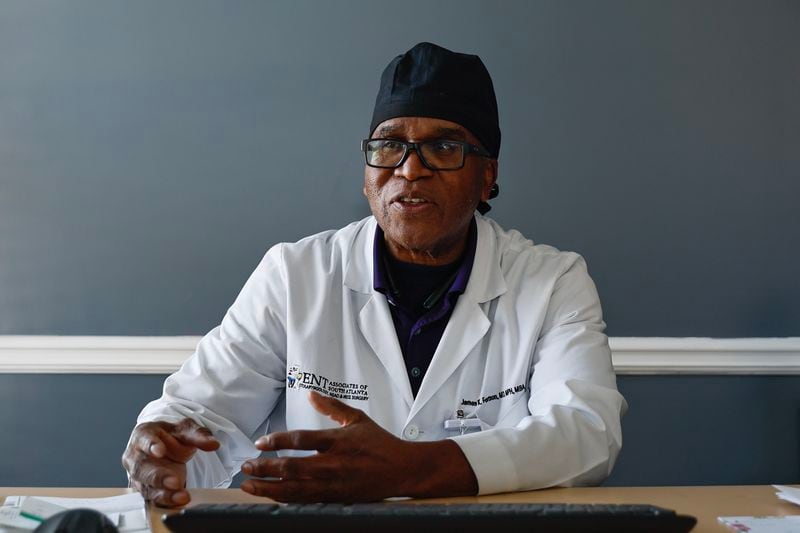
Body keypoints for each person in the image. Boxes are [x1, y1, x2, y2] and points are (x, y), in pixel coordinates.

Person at [122, 42, 626, 507]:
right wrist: (166, 451)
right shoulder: (295, 275)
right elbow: (205, 417)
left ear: (487, 175)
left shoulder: (553, 281)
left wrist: (415, 470)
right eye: (389, 147)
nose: (409, 170)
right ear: (368, 174)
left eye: (444, 149)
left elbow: (586, 432)